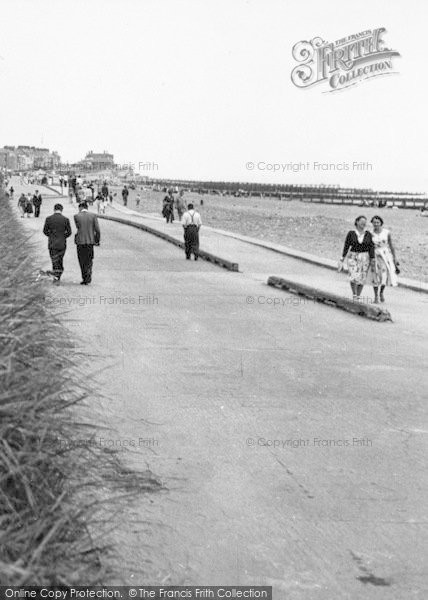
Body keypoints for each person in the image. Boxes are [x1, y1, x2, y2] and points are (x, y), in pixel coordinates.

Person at [339, 215, 376, 301]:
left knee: (362, 277)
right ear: (357, 222)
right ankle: (354, 294)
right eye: (362, 221)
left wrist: (372, 258)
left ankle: (358, 296)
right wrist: (342, 258)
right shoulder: (351, 233)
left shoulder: (368, 234)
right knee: (353, 275)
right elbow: (346, 246)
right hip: (353, 256)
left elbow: (371, 247)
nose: (364, 223)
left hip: (365, 257)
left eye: (365, 222)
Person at [370, 215, 399, 303]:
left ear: (381, 223)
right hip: (374, 255)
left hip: (385, 255)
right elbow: (368, 246)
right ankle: (375, 296)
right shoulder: (370, 233)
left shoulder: (386, 232)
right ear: (372, 223)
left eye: (378, 222)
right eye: (374, 222)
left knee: (384, 275)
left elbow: (391, 245)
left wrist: (395, 258)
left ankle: (381, 292)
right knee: (375, 275)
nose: (376, 224)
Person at [42, 203, 72, 284]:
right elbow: (69, 232)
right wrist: (63, 237)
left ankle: (56, 278)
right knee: (60, 260)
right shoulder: (65, 219)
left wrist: (51, 236)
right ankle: (58, 275)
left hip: (52, 243)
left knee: (54, 260)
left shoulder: (49, 219)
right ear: (62, 210)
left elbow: (45, 231)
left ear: (54, 209)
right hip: (62, 243)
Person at [74, 201, 101, 285]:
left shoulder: (76, 216)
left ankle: (84, 277)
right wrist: (97, 240)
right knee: (89, 259)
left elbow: (78, 227)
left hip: (80, 241)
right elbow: (97, 230)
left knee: (81, 260)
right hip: (90, 241)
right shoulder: (93, 216)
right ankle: (89, 275)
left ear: (80, 208)